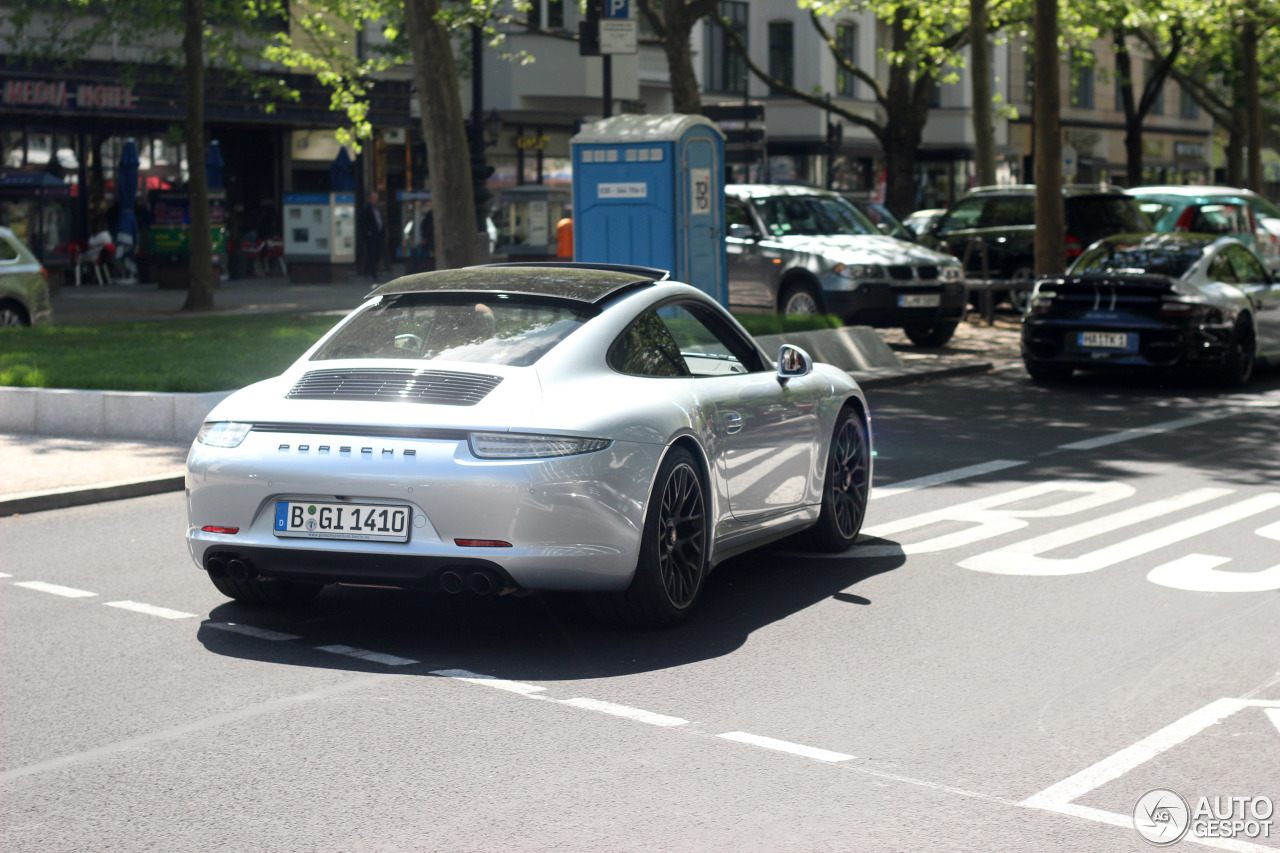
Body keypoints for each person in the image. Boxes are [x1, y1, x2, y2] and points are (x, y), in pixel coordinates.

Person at [361, 191, 385, 282]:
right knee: (371, 255)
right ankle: (373, 274)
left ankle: (368, 272)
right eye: (374, 199)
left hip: (378, 235)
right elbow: (363, 222)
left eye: (377, 199)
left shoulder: (377, 209)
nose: (376, 201)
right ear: (370, 199)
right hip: (371, 236)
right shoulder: (366, 209)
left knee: (376, 255)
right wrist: (367, 233)